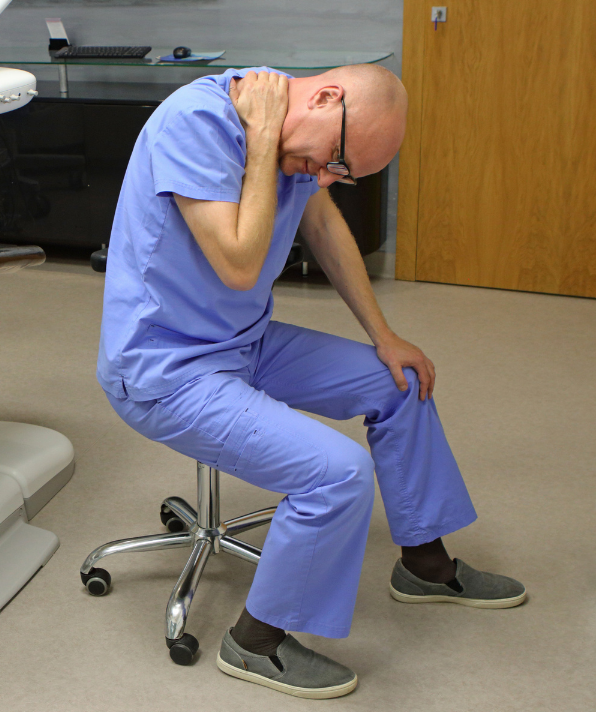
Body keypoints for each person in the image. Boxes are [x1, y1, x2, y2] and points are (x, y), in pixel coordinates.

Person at [97, 64, 527, 699]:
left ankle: (426, 566)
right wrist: (266, 138)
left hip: (245, 343)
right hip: (165, 366)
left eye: (342, 174)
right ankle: (255, 641)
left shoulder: (302, 145)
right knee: (338, 472)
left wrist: (385, 336)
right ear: (327, 99)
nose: (326, 176)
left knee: (399, 384)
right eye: (334, 158)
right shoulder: (199, 123)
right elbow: (241, 265)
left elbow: (322, 226)